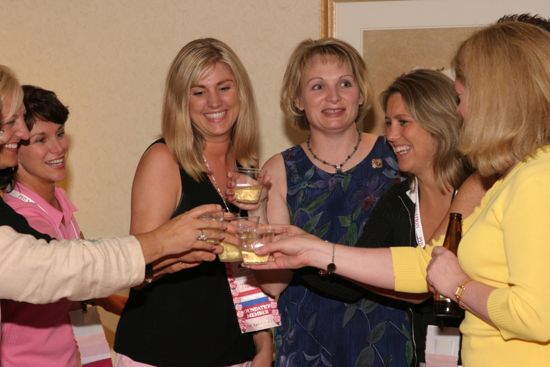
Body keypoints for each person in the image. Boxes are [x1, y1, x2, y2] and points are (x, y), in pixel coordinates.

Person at [251, 22, 550, 366]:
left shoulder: (535, 178)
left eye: (461, 97)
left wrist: (460, 287)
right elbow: (425, 263)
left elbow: (536, 316)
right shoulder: (509, 176)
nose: (460, 111)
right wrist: (312, 249)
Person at [0, 66, 223, 303]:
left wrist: (152, 268)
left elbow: (79, 267)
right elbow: (53, 270)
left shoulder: (57, 198)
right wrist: (161, 241)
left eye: (60, 133)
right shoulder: (18, 214)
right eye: (12, 121)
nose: (22, 132)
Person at [114, 38, 272, 367]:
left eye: (224, 87)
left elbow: (249, 270)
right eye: (198, 92)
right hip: (161, 353)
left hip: (234, 353)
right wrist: (200, 241)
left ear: (240, 92)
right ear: (180, 101)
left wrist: (264, 342)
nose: (214, 102)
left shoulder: (246, 164)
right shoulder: (164, 159)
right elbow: (136, 266)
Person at [258, 38, 404, 367]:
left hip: (386, 342)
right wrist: (255, 212)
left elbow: (419, 259)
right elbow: (273, 286)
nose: (333, 97)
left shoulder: (397, 156)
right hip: (304, 347)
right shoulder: (279, 171)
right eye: (317, 86)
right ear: (297, 99)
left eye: (345, 83)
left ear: (361, 93)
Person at [1, 85, 124, 366]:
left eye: (59, 133)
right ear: (15, 149)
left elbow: (81, 291)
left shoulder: (58, 198)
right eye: (41, 139)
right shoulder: (16, 220)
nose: (58, 148)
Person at [357, 68, 471, 366]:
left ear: (439, 123)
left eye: (403, 122)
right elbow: (357, 269)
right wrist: (298, 253)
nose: (391, 135)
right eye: (389, 123)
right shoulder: (397, 202)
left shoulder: (485, 187)